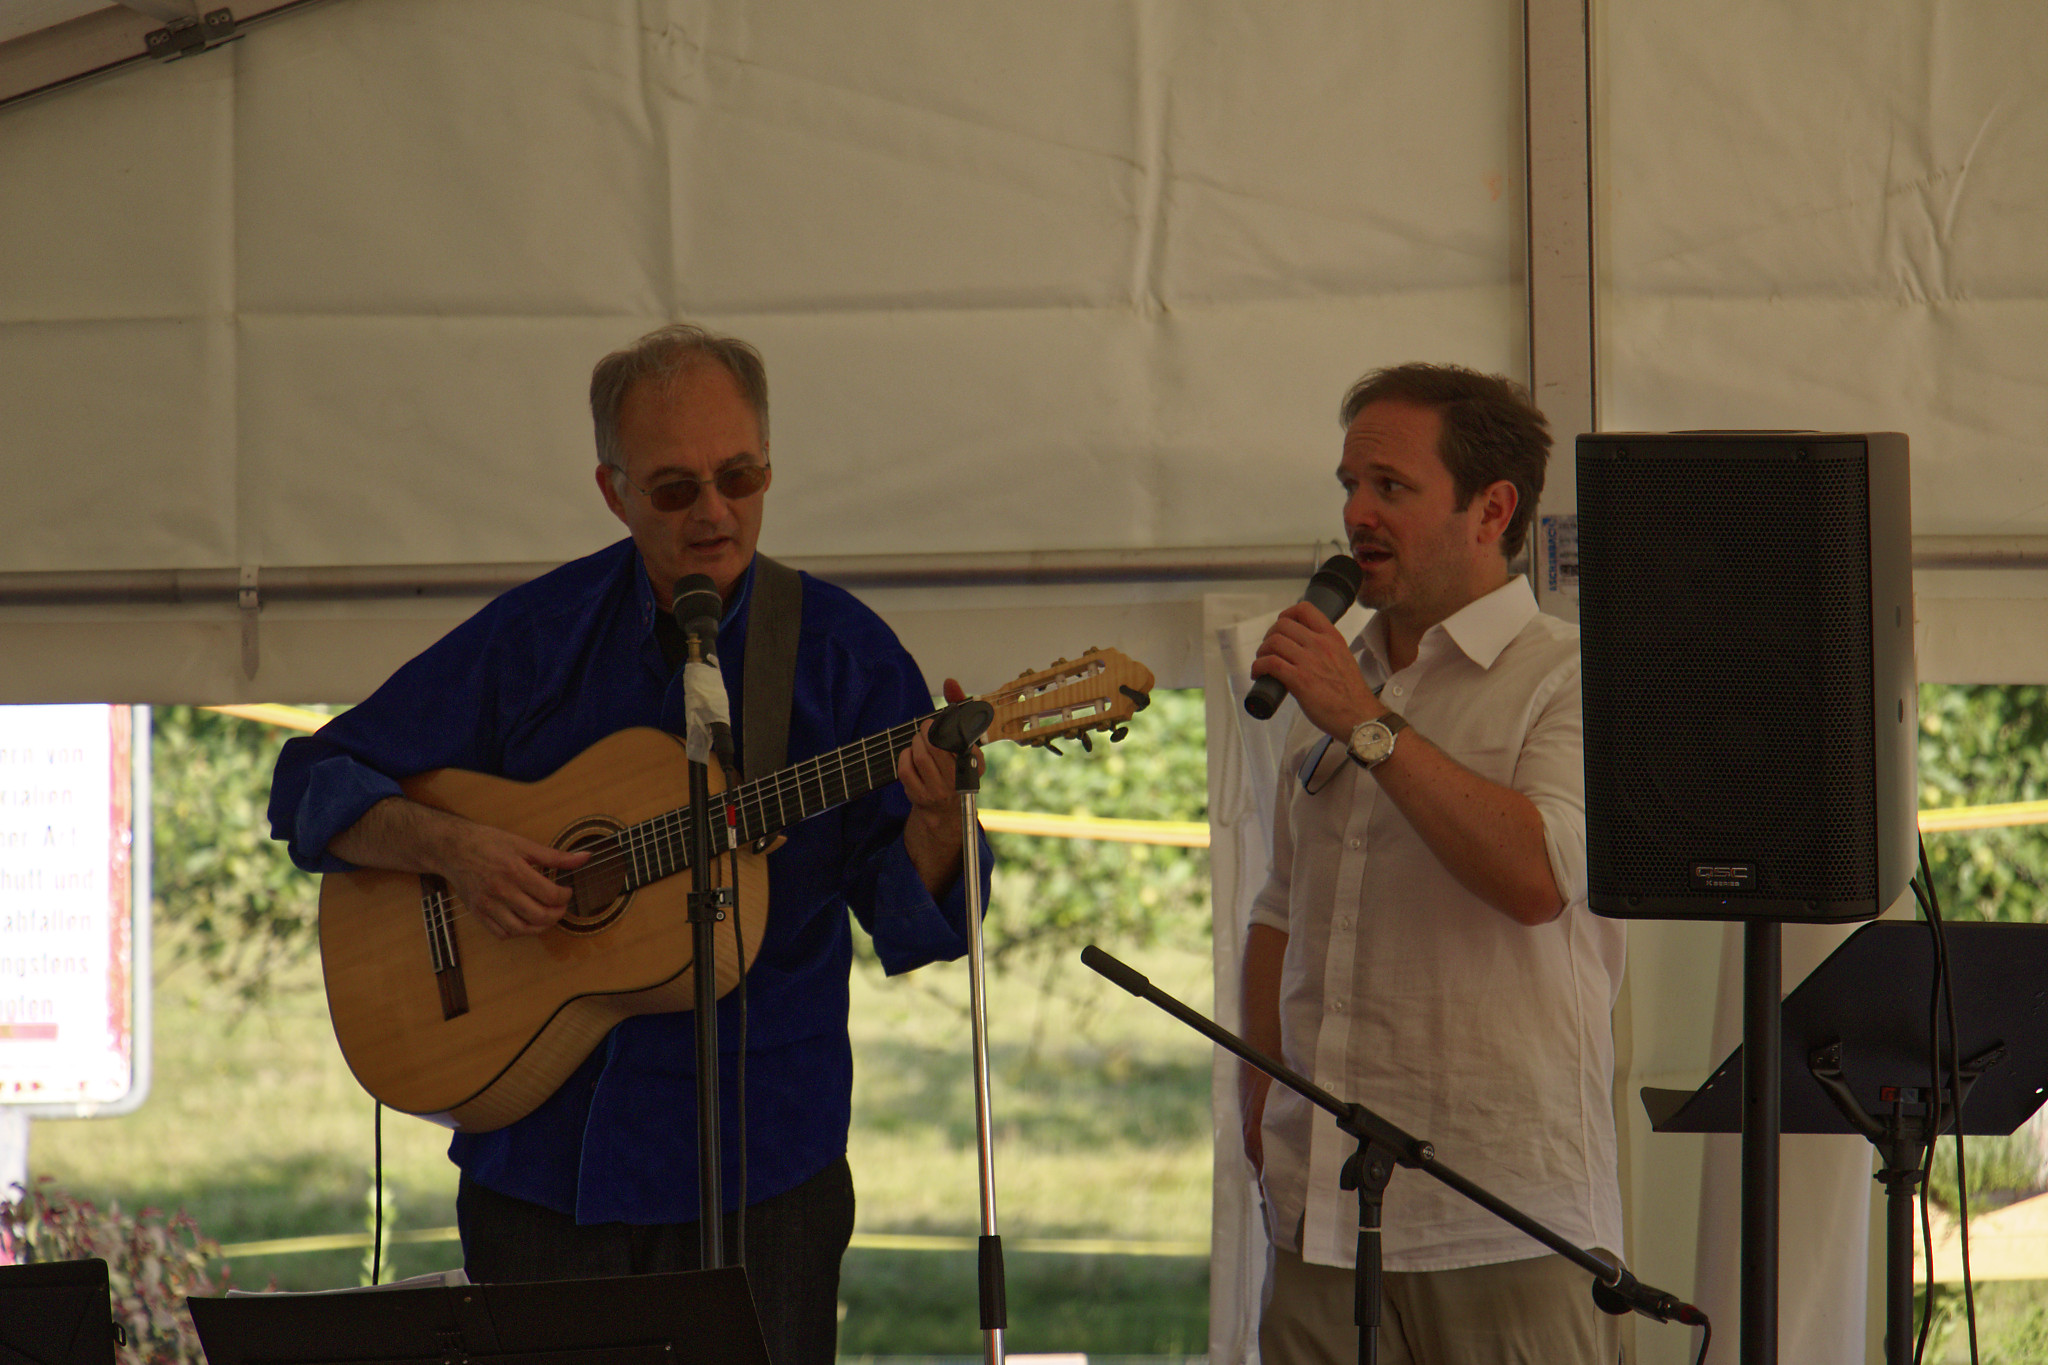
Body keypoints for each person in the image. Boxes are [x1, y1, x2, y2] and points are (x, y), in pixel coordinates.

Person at [268, 323, 988, 1365]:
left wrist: (935, 823)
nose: (714, 512)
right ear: (613, 492)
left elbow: (912, 915)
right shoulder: (537, 638)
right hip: (546, 1167)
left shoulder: (841, 654)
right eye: (675, 488)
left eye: (739, 477)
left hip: (763, 1166)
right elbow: (313, 781)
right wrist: (456, 851)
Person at [1241, 364, 1626, 1365]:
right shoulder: (1334, 682)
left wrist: (1366, 723)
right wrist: (1259, 1108)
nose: (1355, 514)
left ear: (1491, 509)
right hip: (1319, 1224)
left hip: (1503, 1219)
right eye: (1348, 485)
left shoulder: (1571, 678)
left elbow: (1539, 877)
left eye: (1390, 487)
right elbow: (1278, 911)